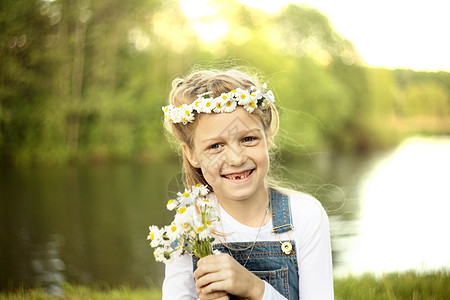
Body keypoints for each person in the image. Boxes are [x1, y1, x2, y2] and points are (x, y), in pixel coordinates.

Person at [161, 68, 334, 300]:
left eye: (248, 139)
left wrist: (255, 289)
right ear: (191, 154)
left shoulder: (305, 216)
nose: (236, 159)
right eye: (215, 146)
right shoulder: (190, 225)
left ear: (267, 138)